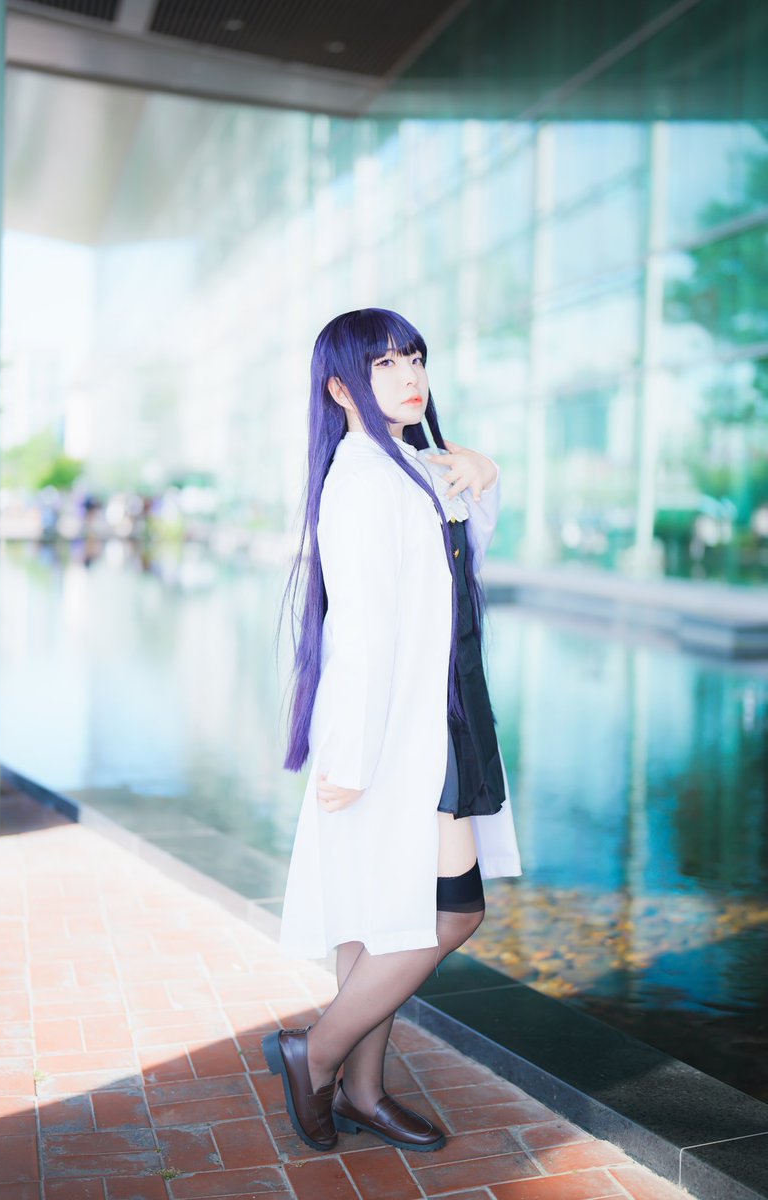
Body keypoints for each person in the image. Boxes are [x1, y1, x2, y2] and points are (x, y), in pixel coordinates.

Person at [264, 308, 522, 1154]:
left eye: (414, 358)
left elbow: (466, 557)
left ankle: (363, 1089)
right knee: (453, 913)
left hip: (443, 717)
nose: (410, 376)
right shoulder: (361, 482)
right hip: (400, 733)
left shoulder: (408, 466)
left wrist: (484, 472)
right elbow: (362, 630)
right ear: (340, 388)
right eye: (384, 364)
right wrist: (347, 754)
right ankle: (316, 1054)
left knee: (381, 916)